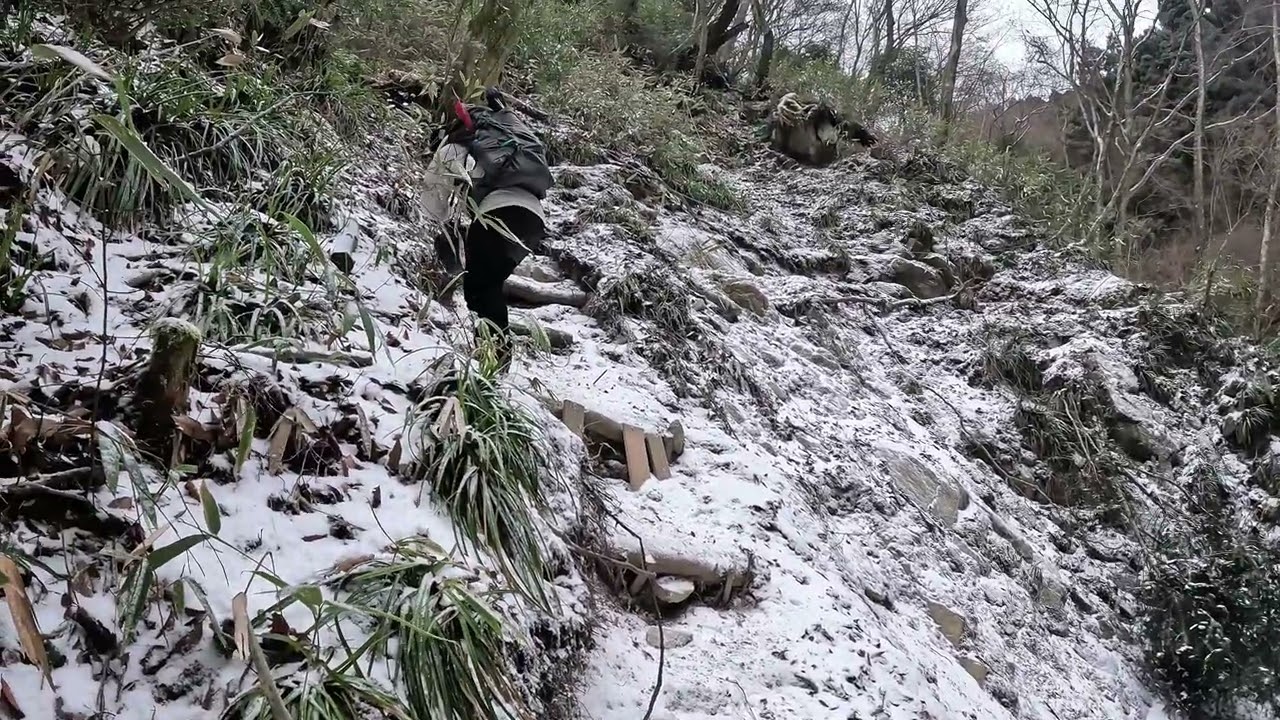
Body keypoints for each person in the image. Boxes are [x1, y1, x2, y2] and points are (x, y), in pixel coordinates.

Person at [421, 87, 554, 371]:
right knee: (488, 282)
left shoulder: (453, 146)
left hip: (499, 211)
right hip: (533, 220)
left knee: (481, 287)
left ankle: (496, 360)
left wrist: (443, 231)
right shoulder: (501, 138)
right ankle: (492, 354)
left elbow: (432, 205)